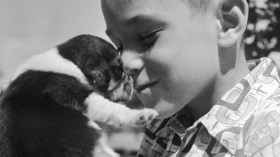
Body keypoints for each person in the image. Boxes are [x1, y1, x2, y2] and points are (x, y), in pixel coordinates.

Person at [101, 0, 280, 156]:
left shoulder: (270, 135)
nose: (125, 62)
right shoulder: (162, 128)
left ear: (227, 22)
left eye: (147, 37)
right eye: (119, 46)